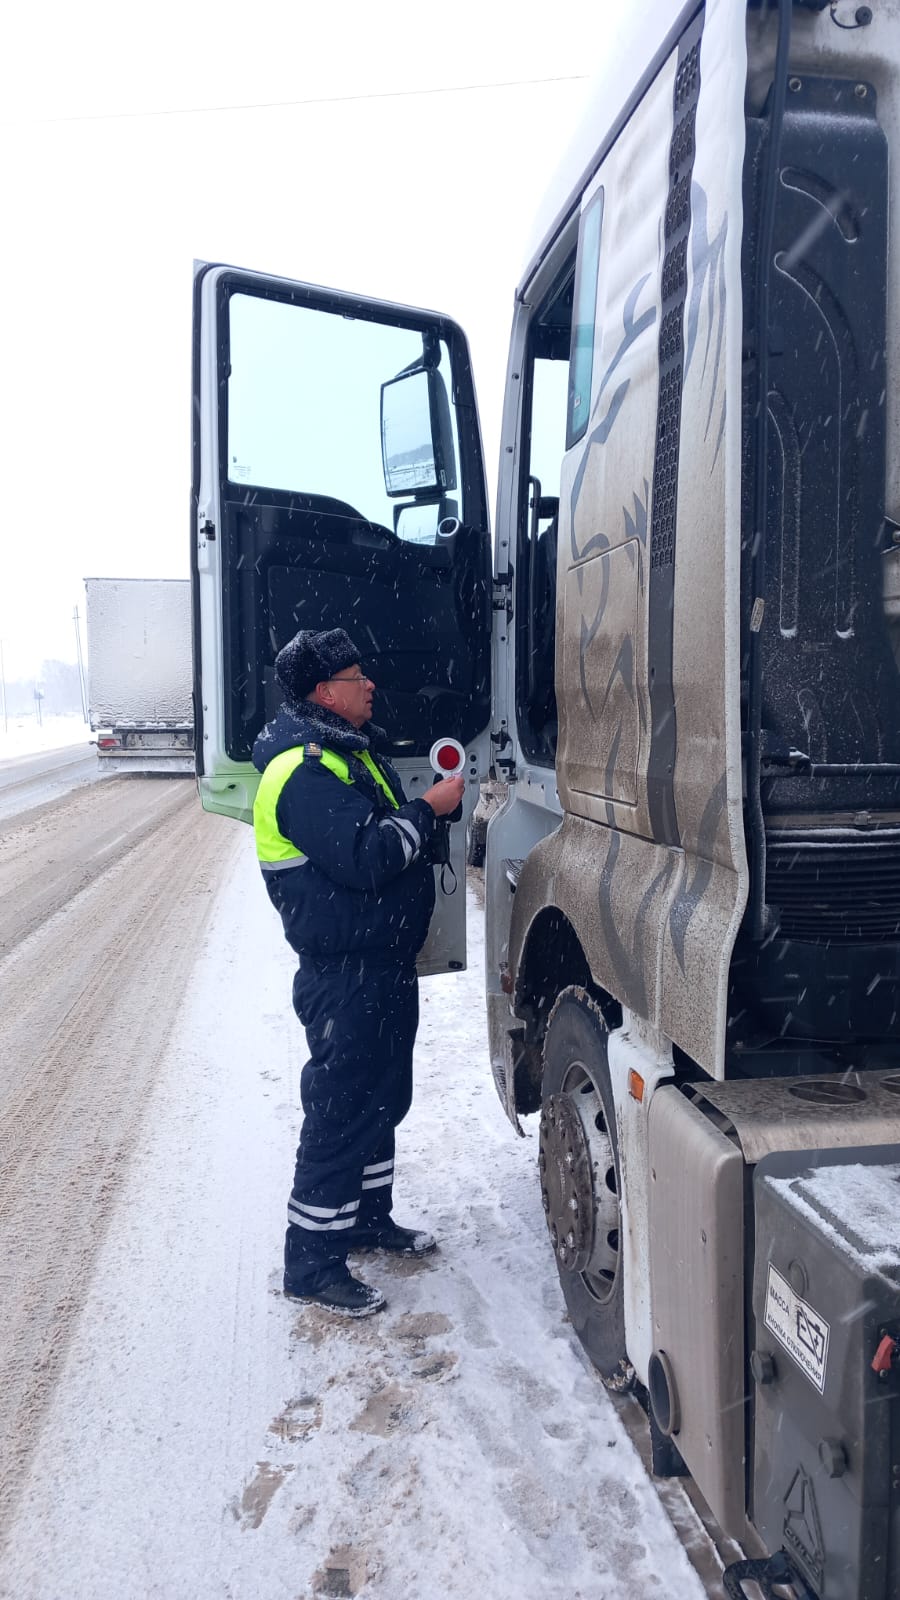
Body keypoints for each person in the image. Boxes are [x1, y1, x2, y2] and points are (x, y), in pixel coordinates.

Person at [252, 627, 465, 1318]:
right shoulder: (302, 771)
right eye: (355, 676)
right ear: (323, 692)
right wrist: (429, 809)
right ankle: (312, 1264)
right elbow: (369, 857)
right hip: (346, 976)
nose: (369, 684)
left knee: (380, 1101)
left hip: (378, 968)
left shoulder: (344, 755)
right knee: (341, 1114)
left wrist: (422, 819)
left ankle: (370, 1219)